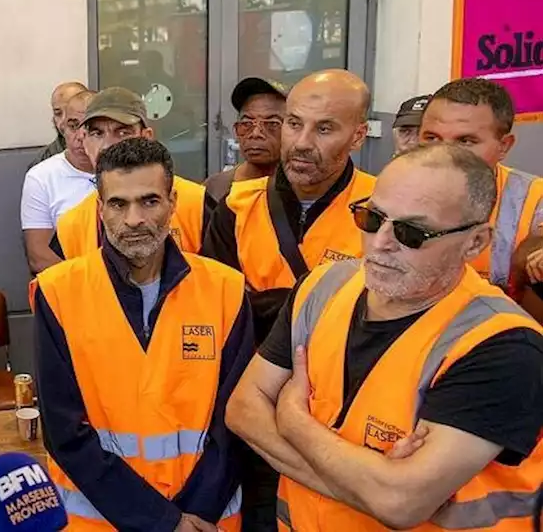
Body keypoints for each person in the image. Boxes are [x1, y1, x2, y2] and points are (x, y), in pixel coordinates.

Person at [226, 144, 544, 531]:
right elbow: (243, 410)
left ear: (475, 242)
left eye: (412, 232)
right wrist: (368, 482)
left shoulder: (504, 346)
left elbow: (399, 503)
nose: (380, 243)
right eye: (371, 218)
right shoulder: (324, 286)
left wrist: (294, 421)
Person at [36, 138, 253, 531]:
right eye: (118, 204)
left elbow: (235, 423)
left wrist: (192, 517)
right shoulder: (57, 293)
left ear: (173, 203)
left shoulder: (226, 290)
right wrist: (163, 522)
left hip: (207, 518)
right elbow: (64, 432)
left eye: (149, 201)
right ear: (100, 210)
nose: (134, 219)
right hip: (103, 521)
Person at [199, 68, 375, 531]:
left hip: (346, 428)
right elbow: (215, 321)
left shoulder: (382, 212)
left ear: (357, 135)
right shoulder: (237, 208)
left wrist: (272, 309)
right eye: (293, 123)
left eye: (324, 128)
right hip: (252, 420)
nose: (300, 142)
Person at [55, 87, 211, 259]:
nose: (107, 145)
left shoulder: (197, 204)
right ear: (84, 140)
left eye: (122, 132)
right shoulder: (70, 226)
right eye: (97, 133)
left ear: (147, 136)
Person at [418, 79, 544, 291]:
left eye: (465, 141)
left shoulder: (535, 199)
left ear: (504, 146)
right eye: (432, 138)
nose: (444, 154)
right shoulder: (393, 193)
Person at [22, 90, 97, 274]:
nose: (80, 136)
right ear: (62, 128)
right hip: (71, 287)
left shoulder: (124, 171)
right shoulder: (41, 177)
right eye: (73, 126)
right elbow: (39, 257)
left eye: (90, 128)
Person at [204, 77, 288, 204]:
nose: (256, 134)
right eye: (247, 123)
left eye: (272, 124)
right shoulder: (215, 188)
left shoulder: (304, 189)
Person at [30, 81, 88, 168]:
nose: (64, 120)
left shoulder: (107, 149)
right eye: (58, 113)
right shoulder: (43, 160)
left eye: (71, 110)